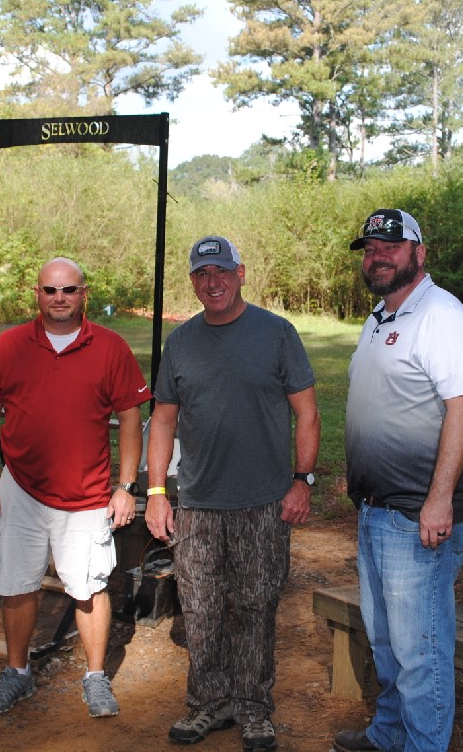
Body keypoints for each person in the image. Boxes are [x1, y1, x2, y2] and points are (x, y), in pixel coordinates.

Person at [145, 235, 320, 752]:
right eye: (202, 274)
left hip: (264, 502)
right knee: (199, 609)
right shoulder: (181, 342)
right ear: (194, 281)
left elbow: (307, 414)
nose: (212, 282)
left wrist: (301, 480)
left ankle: (252, 707)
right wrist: (157, 491)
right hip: (198, 504)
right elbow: (162, 420)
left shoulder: (276, 333)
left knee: (255, 605)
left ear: (241, 273)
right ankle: (208, 704)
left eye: (221, 271)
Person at [0, 257, 150, 719]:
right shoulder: (9, 347)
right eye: (50, 290)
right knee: (15, 583)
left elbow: (131, 419)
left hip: (87, 494)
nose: (59, 298)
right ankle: (18, 673)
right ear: (37, 293)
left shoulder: (110, 348)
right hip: (21, 487)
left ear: (84, 292)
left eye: (68, 289)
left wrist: (126, 485)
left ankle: (94, 677)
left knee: (89, 587)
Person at [333, 209, 463, 752]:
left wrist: (439, 501)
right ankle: (388, 734)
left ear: (419, 253)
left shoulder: (442, 315)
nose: (378, 255)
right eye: (370, 247)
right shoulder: (382, 315)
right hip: (376, 509)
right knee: (387, 643)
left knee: (421, 651)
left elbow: (462, 410)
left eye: (391, 246)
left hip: (418, 517)